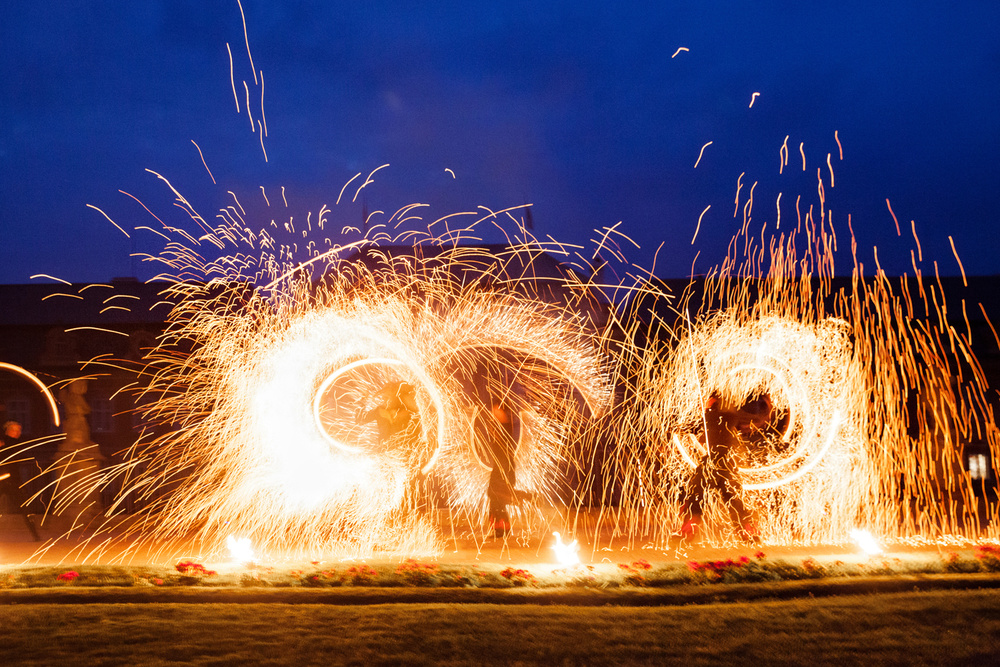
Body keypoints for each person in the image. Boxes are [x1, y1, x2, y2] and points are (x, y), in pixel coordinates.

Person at [673, 392, 773, 547]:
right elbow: (753, 422)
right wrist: (767, 410)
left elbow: (688, 427)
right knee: (733, 501)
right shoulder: (731, 416)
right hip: (727, 465)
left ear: (713, 403)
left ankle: (687, 531)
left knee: (696, 496)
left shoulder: (710, 416)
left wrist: (675, 428)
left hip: (711, 463)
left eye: (708, 401)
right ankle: (749, 533)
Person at [0, 421, 41, 541]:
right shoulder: (5, 441)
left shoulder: (14, 443)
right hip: (4, 479)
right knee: (25, 506)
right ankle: (35, 535)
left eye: (20, 430)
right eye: (16, 430)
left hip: (13, 480)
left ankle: (35, 534)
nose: (18, 433)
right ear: (8, 430)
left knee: (25, 506)